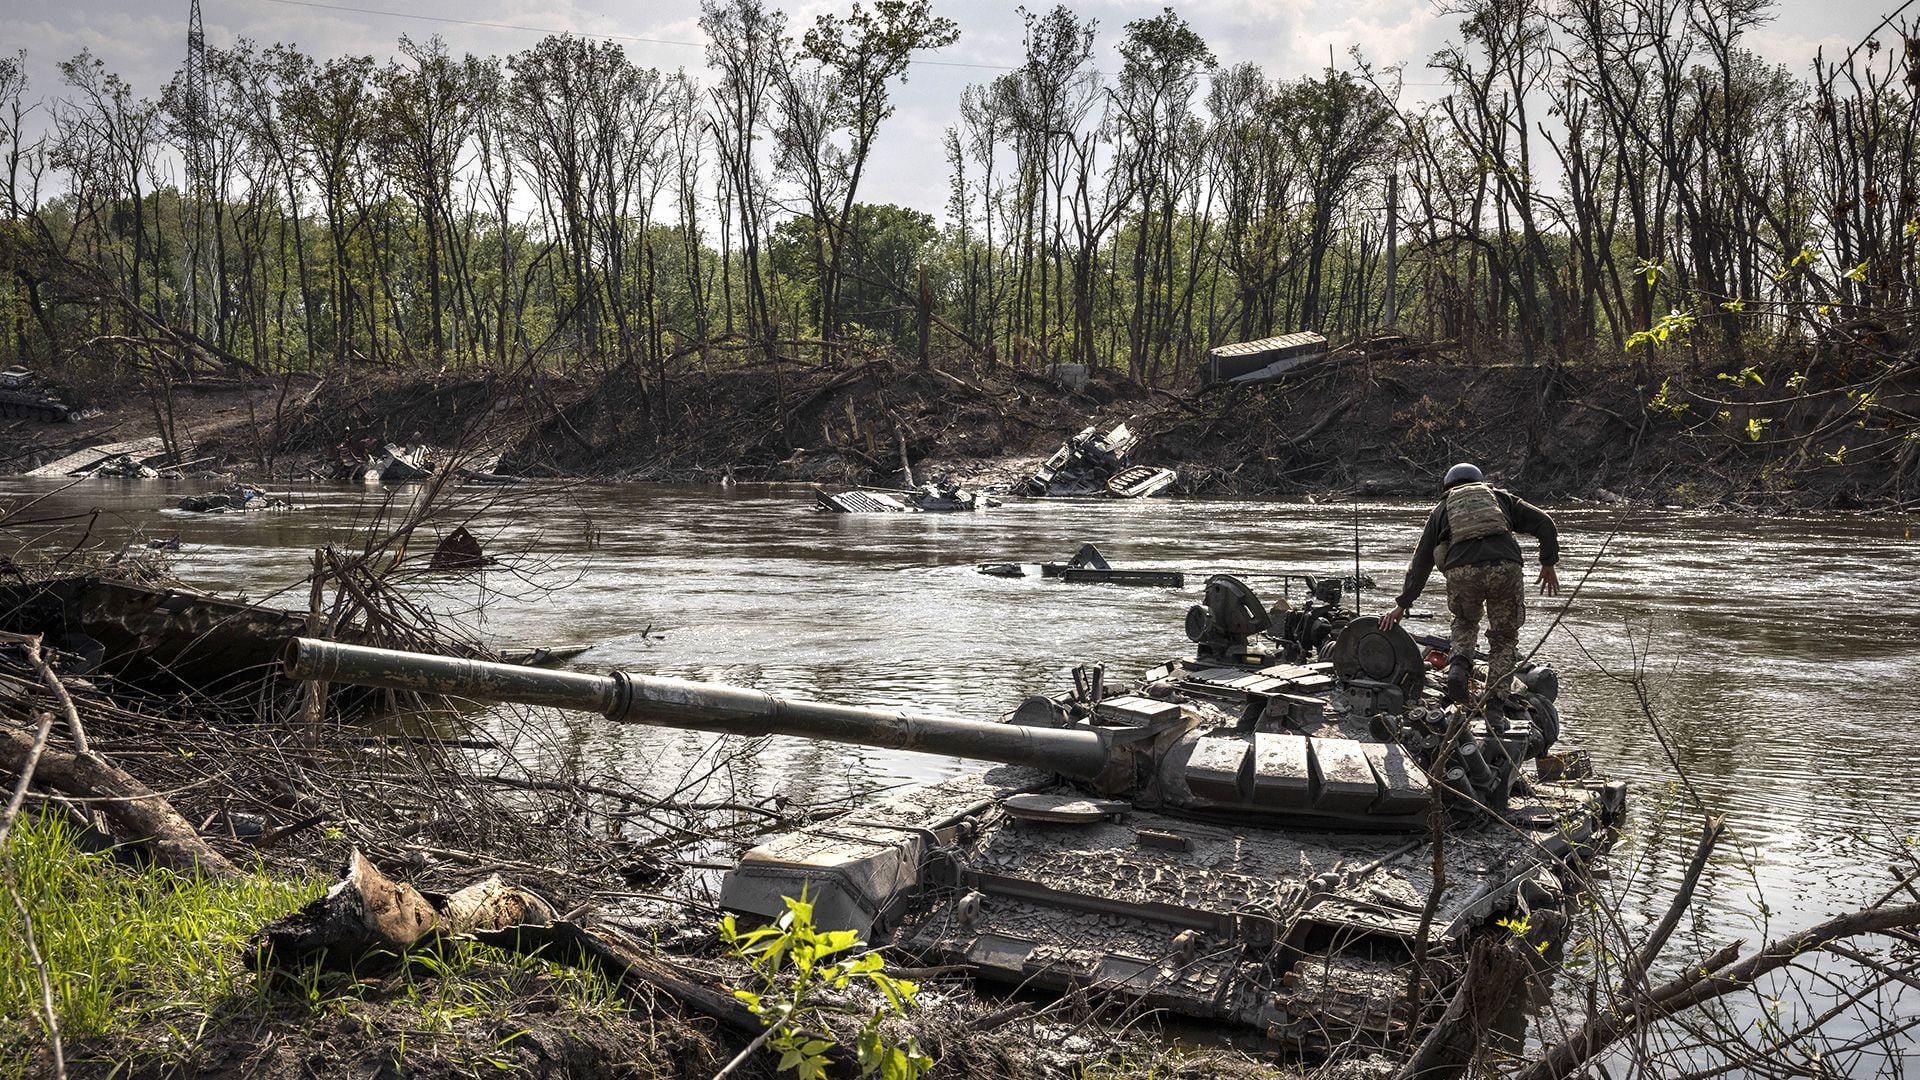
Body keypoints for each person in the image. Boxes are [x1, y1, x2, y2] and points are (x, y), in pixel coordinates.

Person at [1378, 463, 1560, 705]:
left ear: (1447, 487)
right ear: (1479, 481)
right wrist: (1548, 564)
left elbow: (1421, 561)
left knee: (1465, 622)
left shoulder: (1441, 509)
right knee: (1503, 638)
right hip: (1505, 568)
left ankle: (1458, 671)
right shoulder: (1500, 498)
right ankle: (1495, 705)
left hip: (1462, 572)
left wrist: (1402, 604)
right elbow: (1545, 523)